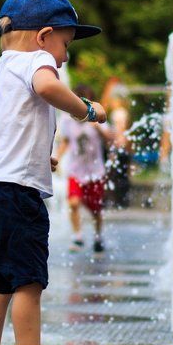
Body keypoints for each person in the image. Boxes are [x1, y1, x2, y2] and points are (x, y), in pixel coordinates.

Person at [0, 0, 105, 345]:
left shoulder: (4, 68)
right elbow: (47, 87)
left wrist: (34, 151)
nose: (65, 56)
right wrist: (86, 110)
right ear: (44, 36)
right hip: (15, 197)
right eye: (66, 43)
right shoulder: (38, 61)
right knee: (29, 281)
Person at [56, 83, 113, 253]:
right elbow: (66, 141)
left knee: (95, 208)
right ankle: (77, 236)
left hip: (95, 171)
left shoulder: (96, 117)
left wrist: (98, 128)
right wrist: (57, 158)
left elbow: (110, 139)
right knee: (73, 202)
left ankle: (98, 236)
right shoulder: (67, 120)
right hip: (75, 169)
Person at [101, 79, 132, 208]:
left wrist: (114, 146)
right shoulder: (124, 112)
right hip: (122, 146)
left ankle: (117, 201)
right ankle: (121, 201)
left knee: (115, 174)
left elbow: (120, 131)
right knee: (121, 174)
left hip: (118, 146)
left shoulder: (118, 113)